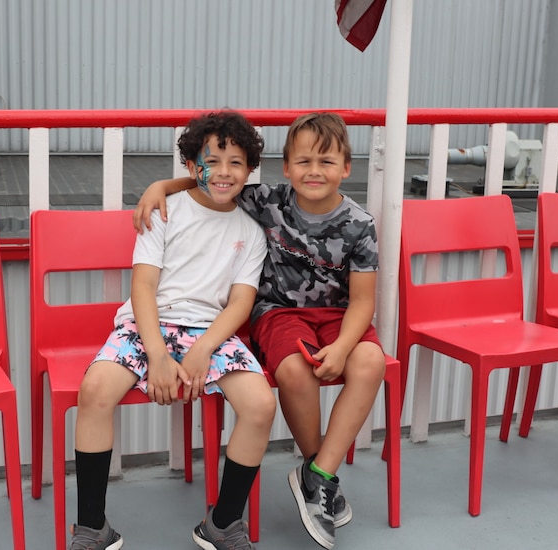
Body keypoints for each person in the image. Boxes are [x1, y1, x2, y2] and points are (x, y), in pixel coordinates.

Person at [135, 112, 386, 550]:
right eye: (303, 161)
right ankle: (317, 473)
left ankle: (319, 473)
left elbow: (363, 300)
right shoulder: (268, 199)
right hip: (278, 313)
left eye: (326, 162)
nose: (314, 171)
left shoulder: (359, 224)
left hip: (338, 316)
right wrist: (161, 186)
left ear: (347, 167)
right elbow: (211, 180)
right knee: (292, 371)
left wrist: (346, 346)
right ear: (285, 167)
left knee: (370, 362)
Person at [69, 110, 276, 550]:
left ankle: (222, 523)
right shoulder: (163, 211)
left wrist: (202, 349)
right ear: (190, 166)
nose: (223, 172)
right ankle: (92, 528)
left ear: (249, 170)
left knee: (260, 404)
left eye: (236, 162)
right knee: (94, 391)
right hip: (149, 324)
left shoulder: (252, 232)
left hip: (210, 330)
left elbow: (240, 302)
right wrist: (158, 354)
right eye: (212, 161)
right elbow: (143, 286)